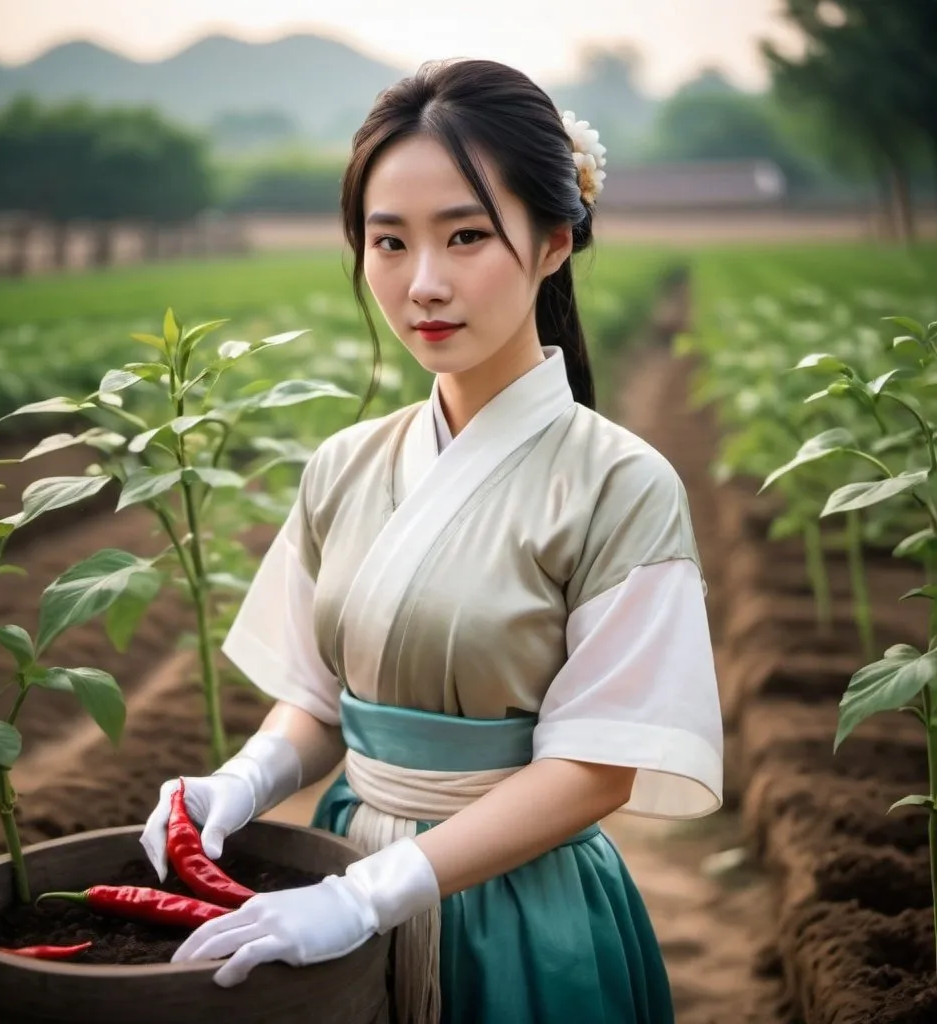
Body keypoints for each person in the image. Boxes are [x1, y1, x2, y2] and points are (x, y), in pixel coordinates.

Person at [140, 57, 723, 1024]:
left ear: (553, 243)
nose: (423, 284)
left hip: (519, 911)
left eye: (465, 236)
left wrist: (370, 894)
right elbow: (321, 702)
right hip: (330, 876)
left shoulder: (622, 484)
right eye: (388, 242)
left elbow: (594, 769)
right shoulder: (344, 465)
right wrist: (239, 784)